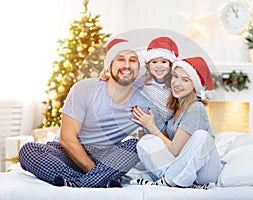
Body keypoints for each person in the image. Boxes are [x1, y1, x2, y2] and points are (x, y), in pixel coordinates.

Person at [18, 38, 165, 188]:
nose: (127, 65)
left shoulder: (144, 102)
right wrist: (95, 172)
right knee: (28, 151)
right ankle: (93, 181)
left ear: (138, 67)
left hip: (106, 157)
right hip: (67, 154)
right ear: (109, 65)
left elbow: (164, 139)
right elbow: (67, 139)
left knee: (135, 145)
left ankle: (76, 183)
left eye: (132, 60)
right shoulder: (84, 89)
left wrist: (152, 128)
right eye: (120, 59)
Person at [129, 57, 223, 189]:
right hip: (183, 169)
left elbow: (174, 150)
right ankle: (176, 182)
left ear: (194, 85)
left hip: (204, 172)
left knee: (202, 136)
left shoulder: (196, 108)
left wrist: (152, 128)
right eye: (175, 77)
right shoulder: (175, 105)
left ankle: (169, 181)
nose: (177, 83)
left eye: (185, 80)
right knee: (146, 141)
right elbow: (165, 143)